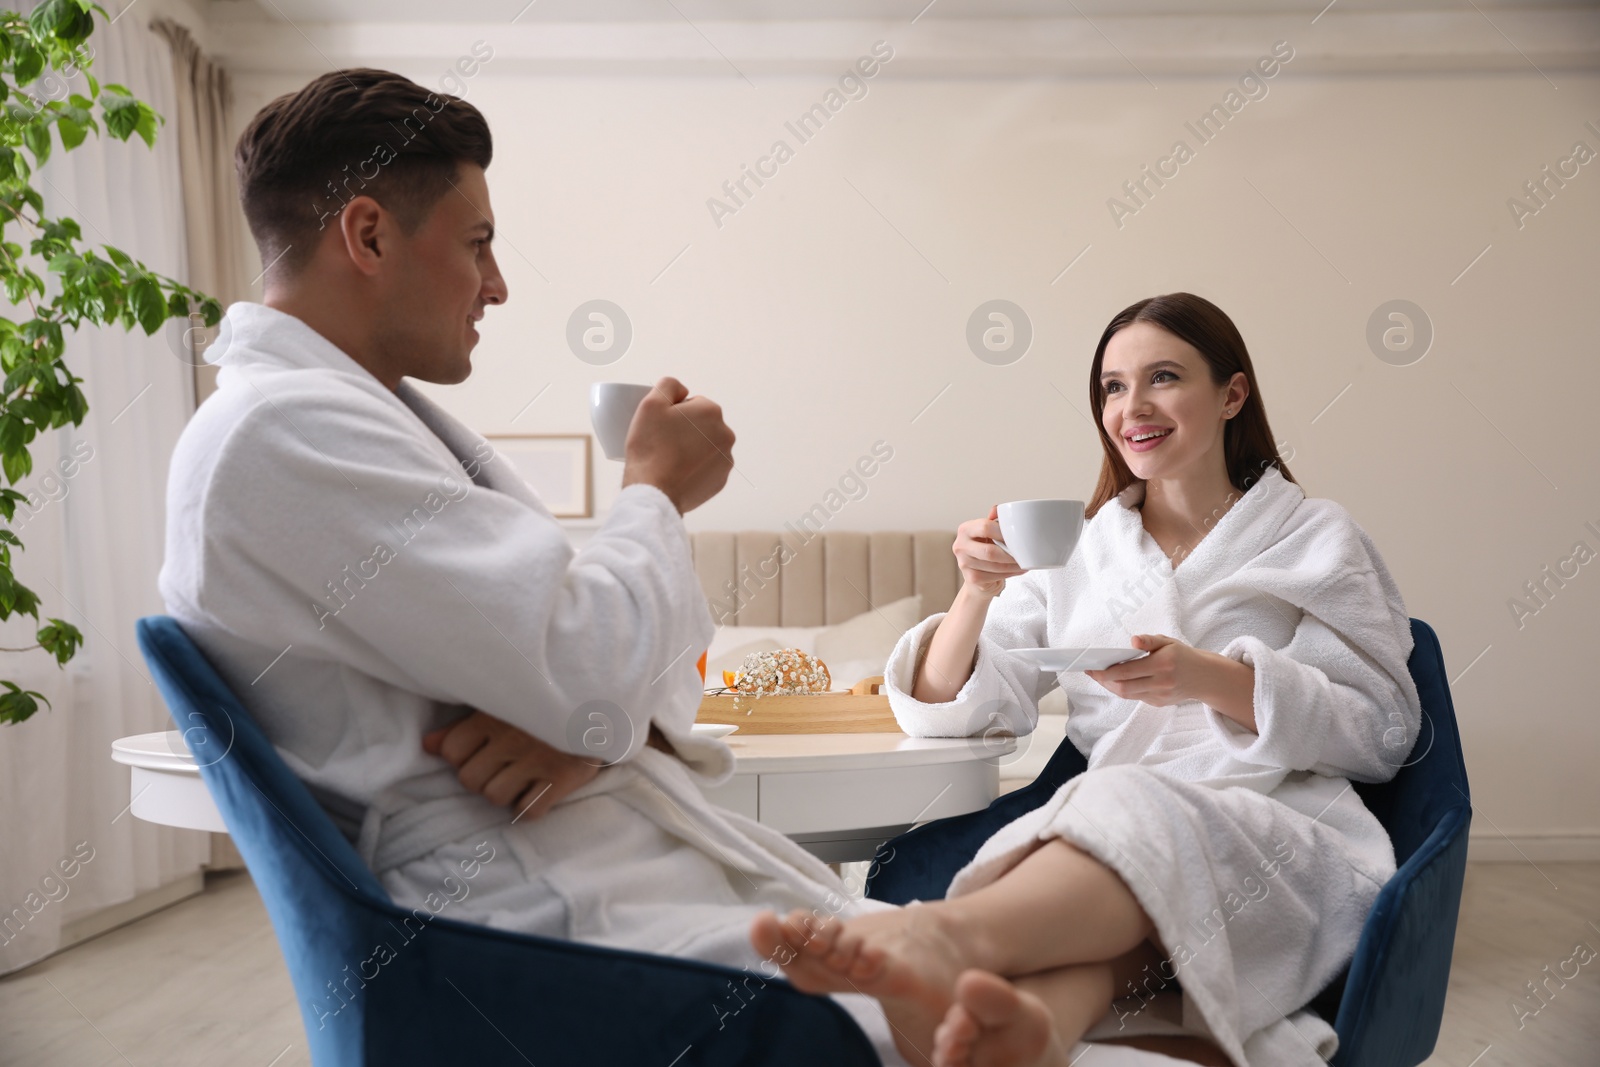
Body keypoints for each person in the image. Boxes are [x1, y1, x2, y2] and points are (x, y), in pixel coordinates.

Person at [158, 67, 913, 1062]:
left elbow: (606, 668)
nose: (498, 284)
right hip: (543, 926)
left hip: (583, 866)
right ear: (371, 235)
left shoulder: (343, 420)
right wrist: (653, 490)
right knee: (986, 1005)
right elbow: (590, 652)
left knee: (1001, 960)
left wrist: (587, 732)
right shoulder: (281, 435)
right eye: (478, 244)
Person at [748, 292, 1423, 1067]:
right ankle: (1040, 1024)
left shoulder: (1315, 536)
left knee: (1122, 800)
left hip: (1284, 837)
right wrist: (975, 589)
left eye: (1163, 377)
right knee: (1105, 891)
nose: (1131, 406)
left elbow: (1381, 730)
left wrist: (1212, 678)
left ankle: (939, 934)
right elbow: (946, 705)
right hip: (1122, 846)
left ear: (1232, 394)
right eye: (1111, 385)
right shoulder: (1080, 549)